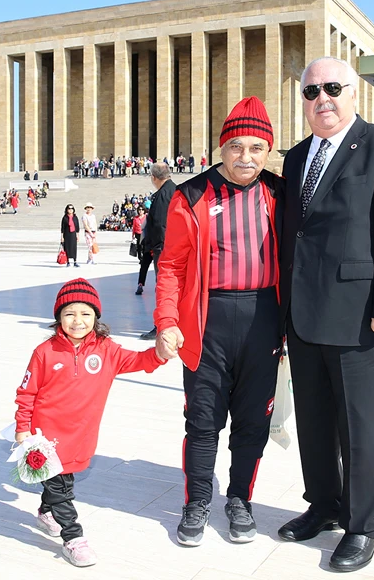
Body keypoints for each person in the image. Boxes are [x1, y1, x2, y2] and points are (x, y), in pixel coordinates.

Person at [277, 57, 374, 572]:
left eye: (333, 88)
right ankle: (324, 505)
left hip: (362, 319)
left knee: (361, 428)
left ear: (353, 92)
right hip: (304, 315)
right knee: (314, 422)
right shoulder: (296, 158)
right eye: (312, 91)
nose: (323, 99)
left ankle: (365, 526)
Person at [155, 96, 284, 546]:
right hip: (207, 321)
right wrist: (168, 320)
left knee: (253, 421)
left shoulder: (279, 193)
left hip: (264, 317)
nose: (245, 158)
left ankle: (240, 500)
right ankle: (197, 500)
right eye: (236, 147)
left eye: (255, 148)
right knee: (204, 420)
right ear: (221, 148)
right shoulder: (190, 195)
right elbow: (170, 265)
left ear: (267, 150)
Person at [13, 278, 172, 567]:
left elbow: (138, 360)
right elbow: (26, 392)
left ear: (96, 317)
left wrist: (160, 354)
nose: (77, 321)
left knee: (64, 480)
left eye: (85, 314)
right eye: (69, 313)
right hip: (46, 438)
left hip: (81, 436)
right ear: (58, 317)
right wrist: (23, 427)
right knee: (60, 485)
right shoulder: (44, 352)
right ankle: (73, 538)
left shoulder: (106, 350)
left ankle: (46, 511)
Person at [138, 163, 176, 339]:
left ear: (154, 177)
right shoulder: (174, 190)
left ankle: (161, 326)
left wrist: (158, 247)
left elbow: (161, 224)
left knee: (163, 288)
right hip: (173, 247)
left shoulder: (162, 195)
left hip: (164, 249)